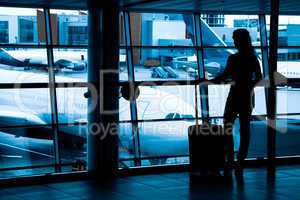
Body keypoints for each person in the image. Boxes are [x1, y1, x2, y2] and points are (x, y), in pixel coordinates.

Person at [212, 29, 262, 172]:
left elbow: (224, 75)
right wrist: (249, 86)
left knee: (228, 127)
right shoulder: (252, 58)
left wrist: (209, 81)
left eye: (234, 39)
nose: (233, 41)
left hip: (234, 95)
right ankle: (240, 161)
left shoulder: (233, 59)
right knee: (245, 130)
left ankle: (230, 159)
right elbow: (259, 77)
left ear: (240, 40)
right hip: (247, 96)